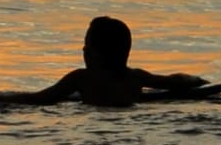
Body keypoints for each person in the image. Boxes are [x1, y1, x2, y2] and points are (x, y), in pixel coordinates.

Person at [33, 16, 206, 107]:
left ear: (94, 54)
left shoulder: (81, 79)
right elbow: (172, 82)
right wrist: (196, 80)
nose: (83, 51)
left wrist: (7, 99)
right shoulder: (136, 77)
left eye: (87, 47)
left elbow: (42, 98)